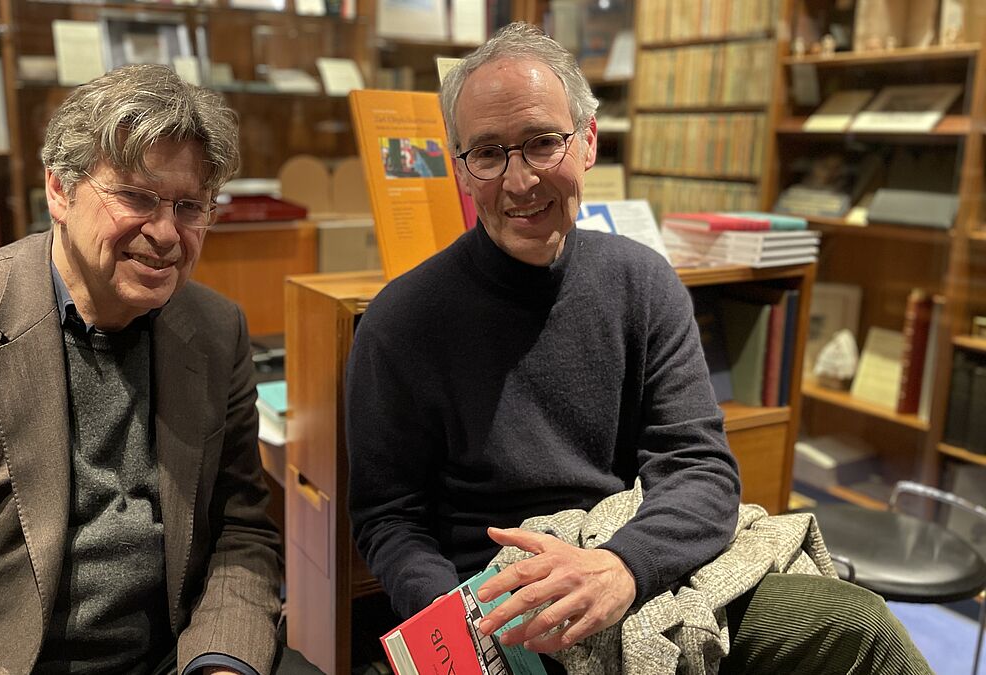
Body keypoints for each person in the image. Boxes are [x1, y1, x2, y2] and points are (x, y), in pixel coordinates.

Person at [346, 22, 932, 674]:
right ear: (461, 170)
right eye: (488, 153)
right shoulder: (401, 321)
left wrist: (623, 565)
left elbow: (701, 471)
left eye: (543, 143)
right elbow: (389, 516)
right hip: (493, 605)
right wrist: (465, 626)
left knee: (861, 625)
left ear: (589, 140)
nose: (519, 182)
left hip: (626, 567)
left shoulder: (642, 283)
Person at [0, 64, 281, 675]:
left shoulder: (217, 331)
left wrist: (221, 663)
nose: (167, 233)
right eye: (137, 196)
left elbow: (242, 536)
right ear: (59, 190)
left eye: (189, 206)